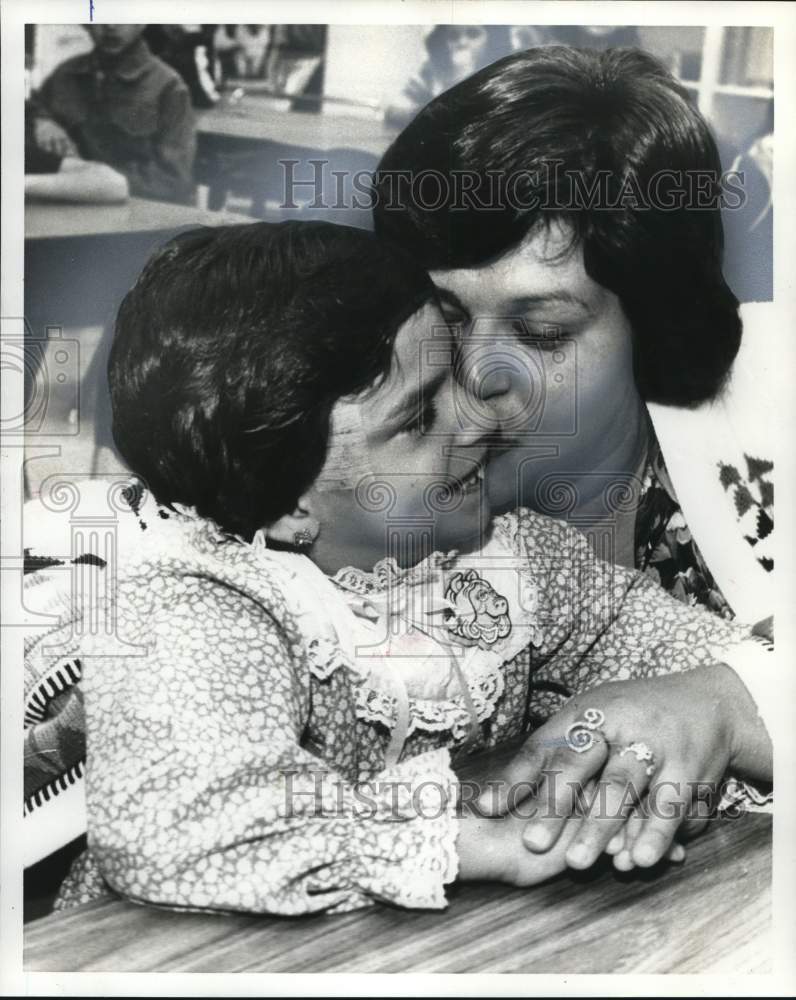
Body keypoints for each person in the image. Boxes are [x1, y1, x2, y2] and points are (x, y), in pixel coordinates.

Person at [24, 221, 771, 915]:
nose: (481, 419)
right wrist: (462, 840)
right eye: (419, 419)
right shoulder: (200, 601)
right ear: (289, 508)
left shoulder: (514, 560)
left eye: (454, 377)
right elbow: (185, 824)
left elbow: (710, 663)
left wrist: (711, 707)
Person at [373, 45, 775, 625]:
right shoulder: (349, 496)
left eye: (541, 333)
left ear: (652, 324)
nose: (475, 372)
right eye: (446, 316)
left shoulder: (772, 398)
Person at [29, 23, 196, 204]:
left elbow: (173, 178)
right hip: (67, 205)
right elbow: (28, 134)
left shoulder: (168, 87)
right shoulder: (64, 75)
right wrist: (42, 121)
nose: (110, 25)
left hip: (139, 210)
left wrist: (96, 183)